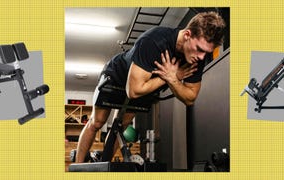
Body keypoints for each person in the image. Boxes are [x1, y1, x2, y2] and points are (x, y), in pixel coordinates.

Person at [75, 11, 226, 163]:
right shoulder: (154, 41)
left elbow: (190, 97)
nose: (201, 57)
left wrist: (173, 79)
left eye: (206, 53)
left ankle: (103, 163)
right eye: (199, 49)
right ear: (187, 35)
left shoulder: (196, 59)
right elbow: (133, 91)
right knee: (97, 122)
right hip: (116, 76)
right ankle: (77, 167)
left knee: (119, 127)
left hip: (145, 86)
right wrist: (169, 77)